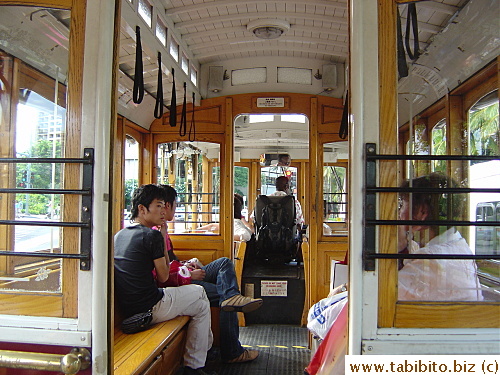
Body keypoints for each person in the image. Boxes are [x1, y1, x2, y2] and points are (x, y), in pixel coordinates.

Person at [114, 184, 215, 375]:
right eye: (158, 206)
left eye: (164, 206)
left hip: (130, 307)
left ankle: (201, 358)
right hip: (150, 307)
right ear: (142, 209)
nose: (163, 211)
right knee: (200, 293)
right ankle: (197, 364)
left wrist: (161, 237)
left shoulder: (120, 235)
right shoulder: (150, 235)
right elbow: (164, 275)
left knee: (201, 306)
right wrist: (161, 238)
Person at [158, 185, 262, 364]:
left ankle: (232, 296)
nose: (175, 209)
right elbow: (162, 274)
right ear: (166, 206)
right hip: (175, 285)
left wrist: (187, 265)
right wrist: (189, 276)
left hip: (182, 273)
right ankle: (232, 351)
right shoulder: (155, 234)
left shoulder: (163, 230)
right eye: (175, 205)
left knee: (223, 263)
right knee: (224, 297)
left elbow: (170, 262)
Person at [397, 173, 483, 301]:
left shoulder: (430, 260)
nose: (399, 212)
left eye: (402, 205)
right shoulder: (457, 245)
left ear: (422, 211)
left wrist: (398, 248)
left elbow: (378, 297)